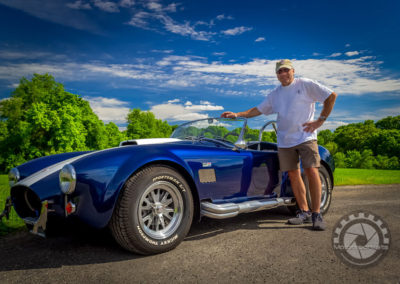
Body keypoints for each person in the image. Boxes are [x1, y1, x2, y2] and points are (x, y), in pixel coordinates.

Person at [221, 59, 337, 230]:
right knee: (293, 175)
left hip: (306, 137)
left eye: (286, 70)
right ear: (277, 75)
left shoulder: (305, 84)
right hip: (284, 141)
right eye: (279, 72)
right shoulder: (275, 94)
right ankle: (303, 212)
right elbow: (258, 110)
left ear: (293, 71)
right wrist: (237, 114)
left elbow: (331, 96)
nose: (283, 74)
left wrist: (320, 121)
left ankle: (316, 214)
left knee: (312, 171)